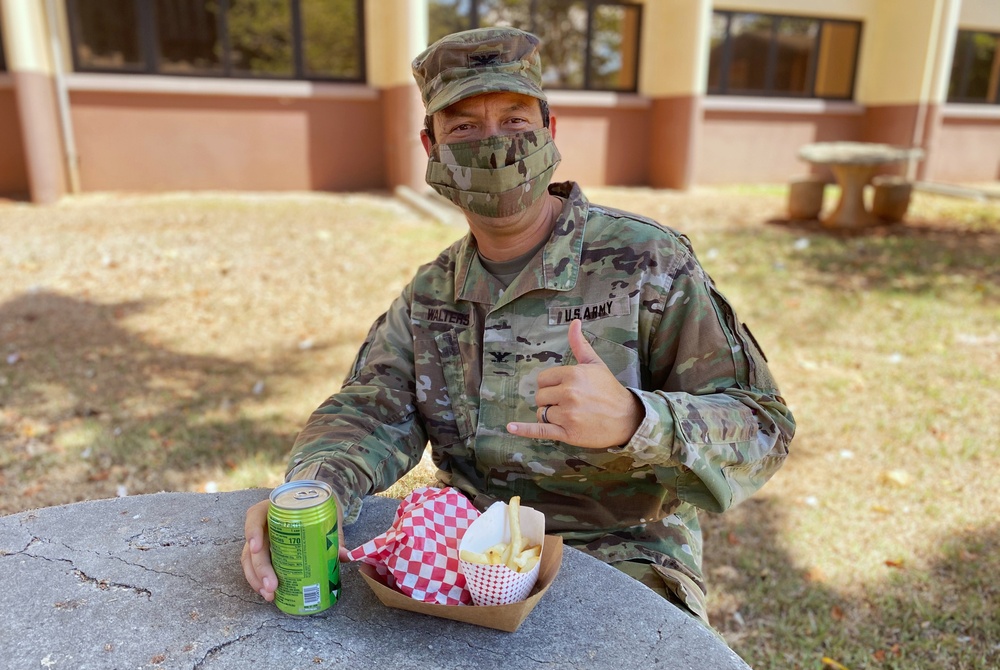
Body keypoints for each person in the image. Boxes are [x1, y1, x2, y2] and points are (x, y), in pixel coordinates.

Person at [242, 27, 795, 626]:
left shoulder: (648, 264)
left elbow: (762, 425)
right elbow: (369, 410)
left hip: (624, 558)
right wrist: (314, 491)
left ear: (550, 133)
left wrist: (639, 420)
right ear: (432, 148)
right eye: (464, 128)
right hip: (470, 556)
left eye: (514, 121)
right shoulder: (432, 293)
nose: (494, 145)